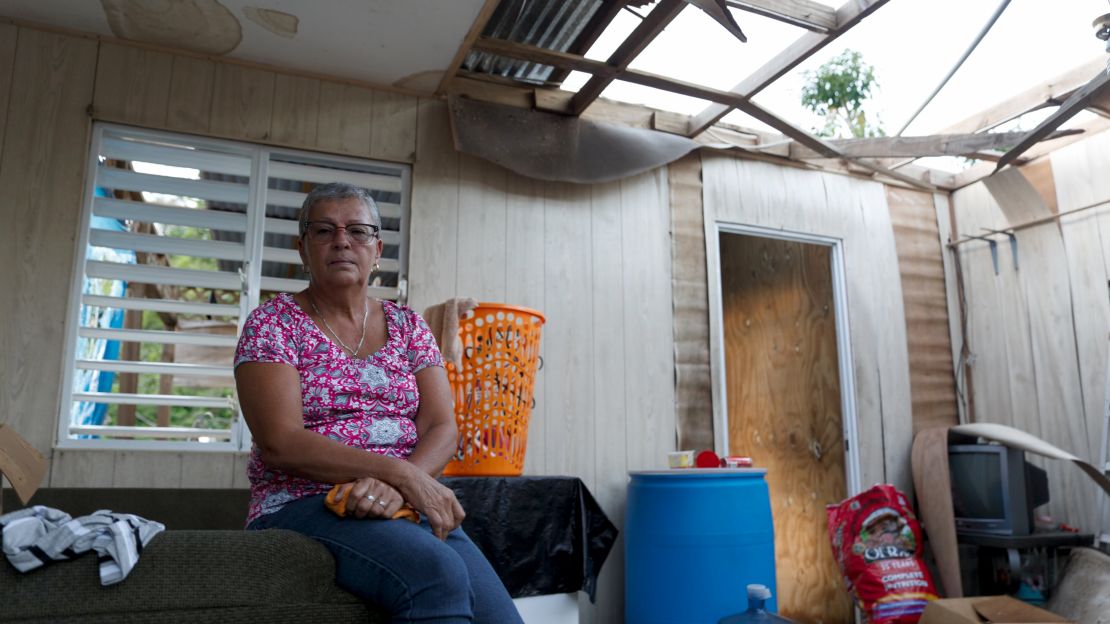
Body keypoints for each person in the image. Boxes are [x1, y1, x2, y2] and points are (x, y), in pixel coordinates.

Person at [234, 182, 522, 623]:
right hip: (305, 500)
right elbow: (280, 441)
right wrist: (398, 474)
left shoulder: (408, 325)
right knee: (437, 572)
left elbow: (442, 427)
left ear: (377, 248)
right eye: (324, 230)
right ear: (302, 247)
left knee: (501, 619)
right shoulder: (273, 324)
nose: (342, 241)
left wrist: (400, 487)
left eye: (358, 231)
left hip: (403, 501)